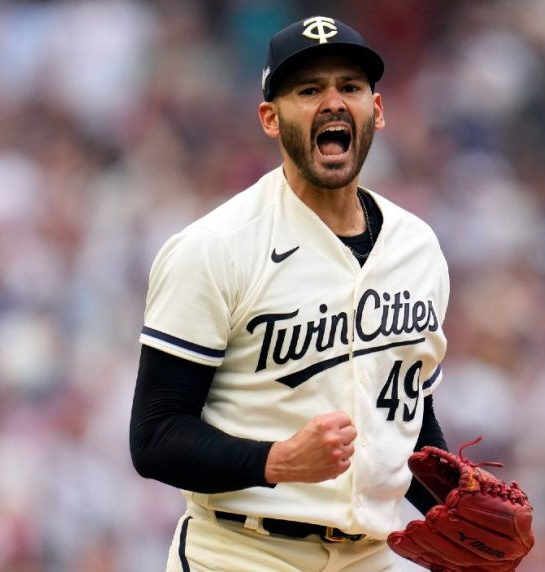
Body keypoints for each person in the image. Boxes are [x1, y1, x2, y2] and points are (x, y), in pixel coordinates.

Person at [130, 15, 450, 571]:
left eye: (349, 87)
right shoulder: (215, 247)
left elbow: (405, 411)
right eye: (308, 90)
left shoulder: (416, 247)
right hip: (240, 552)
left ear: (377, 109)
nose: (332, 102)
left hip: (370, 556)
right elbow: (155, 435)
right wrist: (277, 460)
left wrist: (455, 503)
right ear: (270, 119)